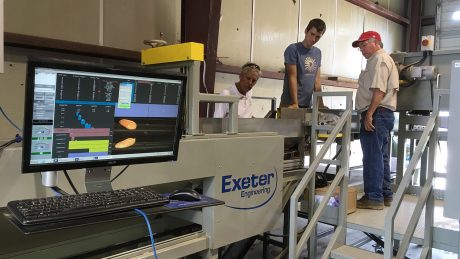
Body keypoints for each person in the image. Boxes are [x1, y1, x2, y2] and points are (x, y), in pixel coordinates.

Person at [352, 31, 399, 210]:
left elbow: (378, 91)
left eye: (364, 45)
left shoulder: (379, 60)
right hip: (383, 114)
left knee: (372, 156)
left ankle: (373, 197)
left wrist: (370, 113)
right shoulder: (379, 60)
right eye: (360, 47)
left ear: (375, 43)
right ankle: (385, 194)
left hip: (377, 113)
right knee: (381, 156)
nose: (361, 50)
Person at [280, 18, 326, 109]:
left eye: (317, 37)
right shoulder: (293, 49)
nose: (313, 39)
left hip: (307, 104)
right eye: (312, 34)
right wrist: (294, 103)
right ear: (306, 31)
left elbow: (317, 81)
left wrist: (320, 104)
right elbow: (292, 77)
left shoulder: (317, 53)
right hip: (289, 104)